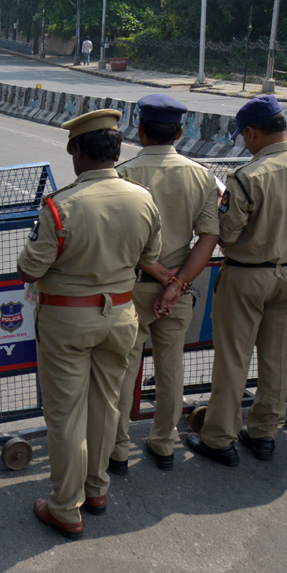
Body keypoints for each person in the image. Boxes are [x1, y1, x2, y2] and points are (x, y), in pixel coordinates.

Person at [17, 110, 162, 540]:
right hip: (120, 316)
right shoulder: (143, 199)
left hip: (66, 320)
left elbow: (29, 268)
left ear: (77, 151)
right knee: (107, 405)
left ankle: (65, 508)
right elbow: (149, 256)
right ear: (116, 152)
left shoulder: (62, 207)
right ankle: (96, 489)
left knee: (65, 416)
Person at [186, 95, 287, 467]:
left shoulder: (247, 176)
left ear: (252, 132)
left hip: (249, 275)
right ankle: (264, 433)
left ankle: (220, 437)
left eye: (244, 136)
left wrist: (222, 204)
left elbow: (228, 237)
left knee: (234, 359)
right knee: (279, 359)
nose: (244, 143)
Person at [109, 96, 220, 473]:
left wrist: (156, 274)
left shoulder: (123, 174)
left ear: (139, 130)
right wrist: (176, 284)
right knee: (172, 368)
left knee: (126, 368)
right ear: (180, 131)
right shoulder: (202, 175)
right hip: (179, 289)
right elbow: (208, 236)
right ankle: (163, 444)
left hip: (133, 287)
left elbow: (120, 239)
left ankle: (118, 449)